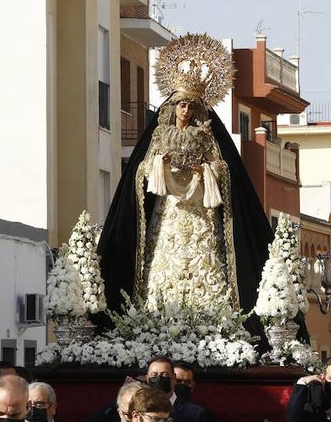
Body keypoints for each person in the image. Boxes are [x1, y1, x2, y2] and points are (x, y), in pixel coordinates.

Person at [98, 33, 272, 334]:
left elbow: (223, 169)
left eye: (191, 107)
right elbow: (140, 174)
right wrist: (160, 164)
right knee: (163, 263)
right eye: (181, 106)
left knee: (205, 263)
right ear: (172, 107)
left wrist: (203, 169)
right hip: (168, 211)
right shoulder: (158, 135)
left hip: (199, 211)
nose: (186, 111)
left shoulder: (206, 137)